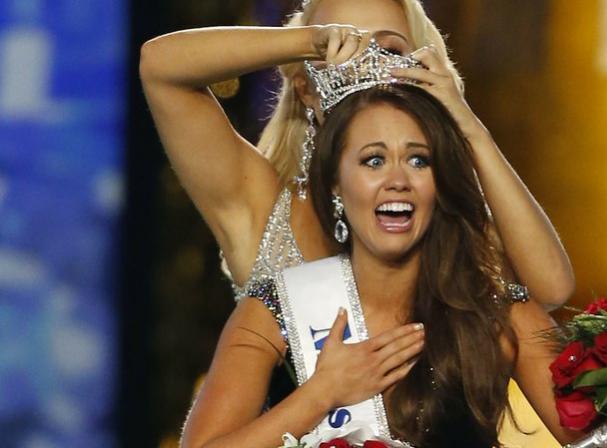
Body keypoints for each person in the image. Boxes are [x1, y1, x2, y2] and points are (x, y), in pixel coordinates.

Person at [180, 80, 595, 447]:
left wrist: (474, 132)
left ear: (440, 183)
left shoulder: (500, 312)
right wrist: (322, 393)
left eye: (419, 160)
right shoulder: (274, 309)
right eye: (373, 161)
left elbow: (603, 443)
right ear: (335, 184)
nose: (398, 179)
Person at [139, 0, 575, 311]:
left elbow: (551, 289)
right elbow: (161, 66)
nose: (366, 70)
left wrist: (467, 126)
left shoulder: (437, 214)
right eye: (342, 52)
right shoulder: (261, 207)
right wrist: (311, 40)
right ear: (306, 89)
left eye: (387, 51)